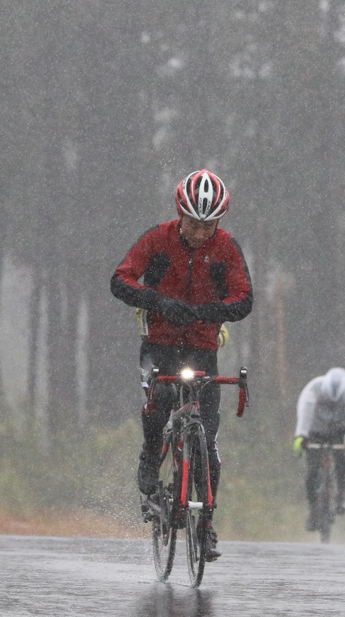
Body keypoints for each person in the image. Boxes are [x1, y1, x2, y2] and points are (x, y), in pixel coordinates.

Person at [110, 169, 253, 562]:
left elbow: (244, 299)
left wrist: (212, 311)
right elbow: (120, 280)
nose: (201, 233)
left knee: (207, 438)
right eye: (193, 223)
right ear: (180, 214)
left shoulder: (226, 248)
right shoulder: (157, 239)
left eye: (209, 225)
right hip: (159, 343)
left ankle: (206, 525)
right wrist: (158, 302)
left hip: (203, 348)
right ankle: (150, 451)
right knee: (163, 396)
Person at [293, 367, 345, 532]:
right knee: (312, 472)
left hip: (340, 432)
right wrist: (301, 435)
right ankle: (313, 511)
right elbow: (305, 412)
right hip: (316, 431)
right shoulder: (314, 388)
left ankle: (341, 497)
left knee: (341, 460)